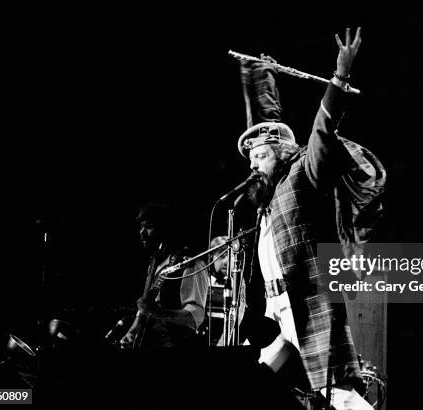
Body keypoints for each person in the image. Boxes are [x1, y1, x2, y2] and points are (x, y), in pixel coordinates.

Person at [236, 28, 386, 409]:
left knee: (336, 395)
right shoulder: (267, 195)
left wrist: (340, 76)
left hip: (306, 302)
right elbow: (266, 118)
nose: (253, 166)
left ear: (283, 151)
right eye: (251, 159)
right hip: (277, 311)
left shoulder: (303, 172)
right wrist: (258, 76)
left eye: (260, 157)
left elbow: (323, 128)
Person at [119, 202, 209, 350]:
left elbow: (196, 317)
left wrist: (157, 313)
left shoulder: (191, 264)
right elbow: (145, 308)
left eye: (148, 227)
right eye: (141, 227)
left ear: (165, 229)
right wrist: (132, 331)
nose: (142, 232)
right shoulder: (155, 264)